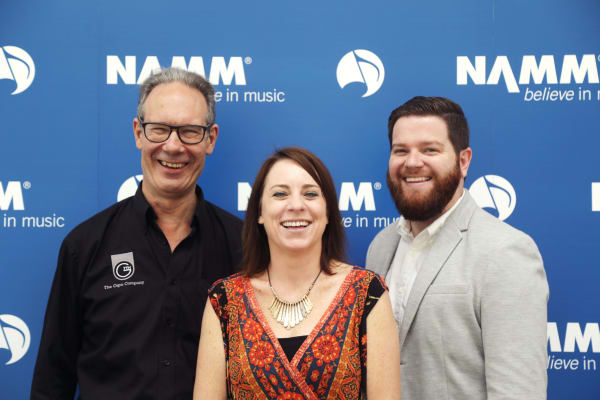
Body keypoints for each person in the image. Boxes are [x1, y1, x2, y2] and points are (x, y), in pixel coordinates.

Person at [31, 67, 242, 400]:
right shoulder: (84, 246)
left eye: (189, 131)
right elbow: (52, 379)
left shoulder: (243, 247)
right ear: (138, 133)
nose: (173, 146)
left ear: (210, 139)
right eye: (159, 129)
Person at [366, 96, 549, 400]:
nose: (412, 162)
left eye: (430, 150)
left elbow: (518, 391)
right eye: (401, 150)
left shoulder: (506, 252)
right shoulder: (381, 246)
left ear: (464, 161)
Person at [194, 147, 401, 399]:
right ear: (259, 212)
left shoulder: (367, 293)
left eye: (310, 194)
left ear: (328, 212)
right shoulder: (224, 300)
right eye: (280, 194)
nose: (296, 205)